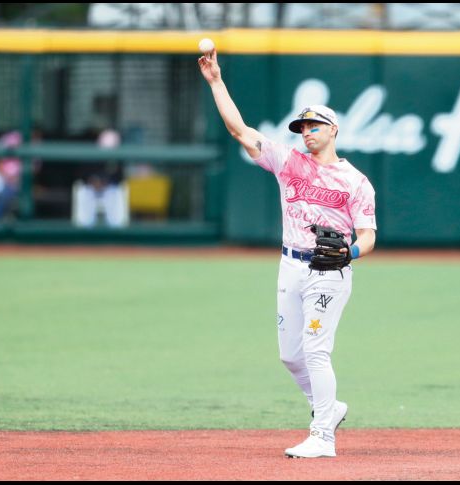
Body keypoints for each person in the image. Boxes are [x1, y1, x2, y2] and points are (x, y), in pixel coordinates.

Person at [198, 49, 377, 458]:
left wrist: (349, 252)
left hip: (329, 268)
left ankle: (323, 436)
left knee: (315, 349)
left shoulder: (355, 181)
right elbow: (240, 131)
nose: (306, 132)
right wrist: (216, 82)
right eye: (302, 127)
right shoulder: (287, 163)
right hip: (289, 265)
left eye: (314, 125)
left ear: (333, 129)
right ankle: (330, 409)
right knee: (290, 356)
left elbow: (368, 235)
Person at [72, 128, 128, 228]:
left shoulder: (118, 158)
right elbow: (82, 174)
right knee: (83, 191)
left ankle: (116, 229)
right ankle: (84, 228)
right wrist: (93, 182)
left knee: (116, 192)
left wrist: (106, 183)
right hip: (90, 188)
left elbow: (120, 177)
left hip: (109, 189)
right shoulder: (90, 156)